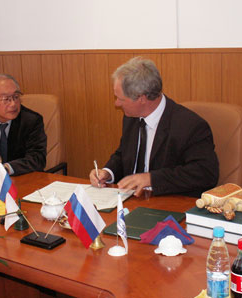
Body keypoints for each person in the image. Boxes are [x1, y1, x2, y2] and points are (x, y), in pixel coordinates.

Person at [89, 57, 219, 198]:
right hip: (132, 201)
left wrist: (151, 179)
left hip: (169, 206)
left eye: (121, 99)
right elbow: (123, 154)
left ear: (141, 98)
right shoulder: (131, 117)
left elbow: (206, 173)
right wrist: (108, 172)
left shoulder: (190, 126)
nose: (116, 104)